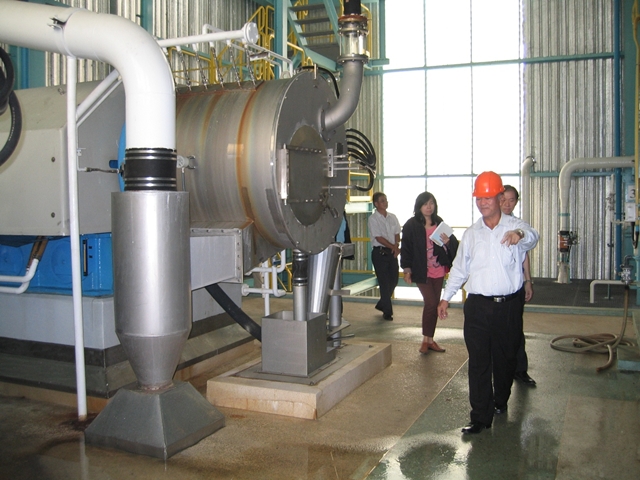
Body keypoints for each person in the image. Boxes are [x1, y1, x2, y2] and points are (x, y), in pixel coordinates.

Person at [437, 171, 539, 435]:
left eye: (487, 198)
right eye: (478, 198)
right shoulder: (472, 234)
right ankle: (480, 417)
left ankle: (500, 399)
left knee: (505, 359)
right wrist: (446, 297)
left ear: (499, 197)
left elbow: (533, 236)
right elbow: (459, 269)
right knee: (479, 362)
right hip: (478, 307)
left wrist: (519, 234)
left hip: (508, 307)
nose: (482, 203)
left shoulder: (515, 226)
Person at [401, 191, 459, 354]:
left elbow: (453, 244)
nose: (429, 207)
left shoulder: (439, 222)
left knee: (433, 305)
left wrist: (448, 242)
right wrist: (407, 270)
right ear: (419, 206)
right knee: (432, 303)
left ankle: (429, 340)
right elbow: (406, 248)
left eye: (431, 203)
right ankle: (426, 340)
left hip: (438, 269)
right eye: (425, 204)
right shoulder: (411, 224)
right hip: (421, 270)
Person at [501, 185, 537, 386]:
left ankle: (520, 370)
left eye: (511, 200)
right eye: (503, 199)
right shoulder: (486, 225)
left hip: (515, 287)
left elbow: (524, 255)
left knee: (515, 328)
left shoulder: (519, 226)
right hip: (494, 290)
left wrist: (528, 281)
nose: (507, 204)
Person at [368, 192, 401, 320]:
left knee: (394, 280)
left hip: (392, 253)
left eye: (386, 200)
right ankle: (387, 312)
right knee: (384, 282)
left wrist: (396, 246)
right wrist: (393, 247)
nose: (385, 202)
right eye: (382, 201)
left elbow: (397, 233)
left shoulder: (393, 217)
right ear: (376, 204)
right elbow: (379, 237)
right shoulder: (373, 219)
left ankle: (382, 303)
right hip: (380, 253)